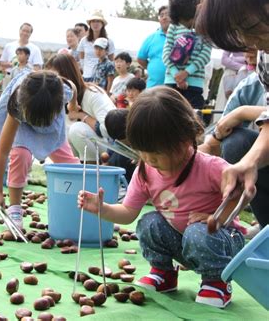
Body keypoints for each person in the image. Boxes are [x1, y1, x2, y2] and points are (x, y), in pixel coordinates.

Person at [79, 87, 245, 308]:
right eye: (142, 151)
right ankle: (164, 273)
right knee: (149, 223)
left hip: (221, 242)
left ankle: (217, 282)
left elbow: (241, 192)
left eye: (156, 153)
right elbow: (128, 212)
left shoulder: (209, 167)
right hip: (185, 242)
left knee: (198, 232)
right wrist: (103, 209)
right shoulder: (145, 171)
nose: (148, 159)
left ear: (184, 141)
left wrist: (217, 217)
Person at [195, 0, 269, 229]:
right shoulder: (266, 57)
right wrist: (248, 163)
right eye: (239, 32)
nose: (251, 42)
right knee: (239, 147)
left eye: (250, 26)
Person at [0, 70, 80, 228]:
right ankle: (15, 208)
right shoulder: (18, 105)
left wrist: (72, 104)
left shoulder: (64, 91)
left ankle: (78, 204)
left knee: (71, 165)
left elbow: (73, 87)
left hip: (52, 130)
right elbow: (2, 151)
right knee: (20, 155)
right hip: (23, 126)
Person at [46, 53, 115, 162]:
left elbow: (110, 130)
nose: (52, 83)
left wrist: (82, 115)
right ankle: (70, 170)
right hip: (78, 150)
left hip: (109, 149)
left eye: (55, 77)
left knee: (76, 130)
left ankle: (89, 171)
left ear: (67, 75)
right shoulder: (58, 99)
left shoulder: (93, 94)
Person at [162, 0, 212, 109]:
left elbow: (205, 54)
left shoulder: (205, 27)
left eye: (190, 24)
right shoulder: (174, 25)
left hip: (194, 83)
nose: (190, 28)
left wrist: (186, 72)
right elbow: (166, 52)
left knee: (193, 116)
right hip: (171, 81)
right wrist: (176, 75)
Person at [137, 6, 170, 88]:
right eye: (161, 15)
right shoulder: (151, 38)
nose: (164, 17)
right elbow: (140, 58)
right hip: (153, 87)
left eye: (167, 14)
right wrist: (152, 68)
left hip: (175, 88)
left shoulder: (181, 37)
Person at [78, 10, 116, 81]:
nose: (95, 24)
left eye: (98, 21)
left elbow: (111, 60)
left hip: (102, 78)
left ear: (102, 24)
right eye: (93, 21)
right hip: (86, 76)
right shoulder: (84, 41)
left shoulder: (109, 41)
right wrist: (85, 69)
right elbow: (81, 58)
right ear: (90, 24)